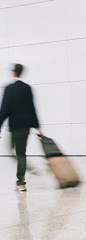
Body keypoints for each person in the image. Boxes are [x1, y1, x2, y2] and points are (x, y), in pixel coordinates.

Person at [0, 64, 44, 192]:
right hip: (26, 127)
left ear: (14, 73)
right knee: (21, 153)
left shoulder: (9, 88)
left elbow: (4, 109)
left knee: (14, 152)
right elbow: (32, 108)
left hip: (15, 126)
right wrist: (37, 127)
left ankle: (21, 182)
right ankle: (22, 180)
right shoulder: (28, 88)